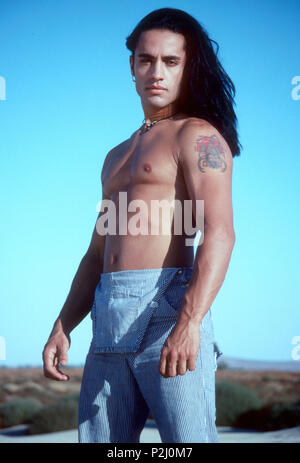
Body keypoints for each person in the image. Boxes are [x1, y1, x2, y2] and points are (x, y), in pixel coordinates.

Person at [42, 7, 241, 443]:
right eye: (146, 59)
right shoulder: (115, 154)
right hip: (107, 314)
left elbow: (220, 233)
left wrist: (189, 322)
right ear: (131, 65)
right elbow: (97, 252)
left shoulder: (198, 136)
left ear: (188, 68)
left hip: (167, 308)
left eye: (171, 61)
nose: (157, 71)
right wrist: (63, 325)